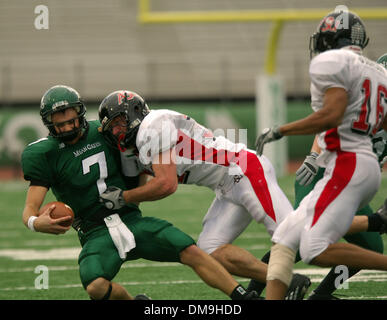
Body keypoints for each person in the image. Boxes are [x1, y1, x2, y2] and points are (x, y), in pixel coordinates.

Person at [21, 84, 260, 301]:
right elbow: (30, 208)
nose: (67, 127)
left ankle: (242, 296)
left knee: (190, 250)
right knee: (95, 286)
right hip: (95, 232)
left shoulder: (105, 131)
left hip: (131, 219)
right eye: (60, 123)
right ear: (48, 123)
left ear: (80, 113)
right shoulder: (43, 154)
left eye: (71, 120)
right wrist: (35, 222)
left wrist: (132, 192)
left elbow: (136, 168)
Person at [97, 90, 312, 299]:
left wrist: (123, 197)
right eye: (112, 128)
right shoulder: (133, 147)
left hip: (245, 170)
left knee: (297, 238)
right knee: (209, 251)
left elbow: (166, 184)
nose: (117, 131)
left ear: (134, 112)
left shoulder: (153, 125)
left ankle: (337, 264)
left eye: (119, 122)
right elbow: (139, 187)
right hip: (225, 187)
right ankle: (289, 280)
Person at [255, 10, 387, 299]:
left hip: (348, 162)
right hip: (351, 164)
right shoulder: (378, 72)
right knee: (284, 241)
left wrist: (282, 130)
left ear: (333, 39)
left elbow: (331, 114)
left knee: (312, 249)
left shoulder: (334, 61)